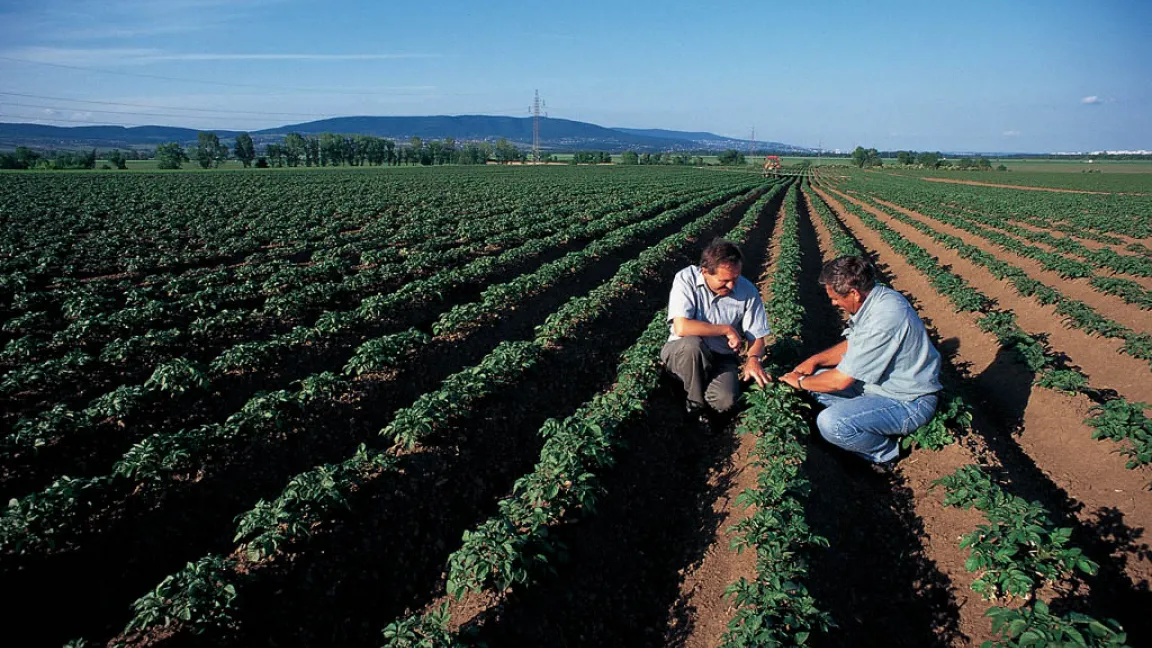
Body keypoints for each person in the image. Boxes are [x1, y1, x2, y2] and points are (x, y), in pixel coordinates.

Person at [780, 256, 941, 466]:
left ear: (854, 293)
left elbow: (840, 381)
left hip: (908, 401)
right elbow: (855, 343)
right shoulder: (876, 300)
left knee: (832, 423)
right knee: (818, 380)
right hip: (879, 387)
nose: (833, 303)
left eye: (835, 298)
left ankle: (887, 454)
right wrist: (815, 360)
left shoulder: (885, 317)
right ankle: (865, 426)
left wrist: (800, 382)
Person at [661, 239, 771, 418]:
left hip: (721, 357)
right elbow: (681, 327)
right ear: (705, 271)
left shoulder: (747, 291)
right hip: (682, 351)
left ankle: (703, 397)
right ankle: (695, 407)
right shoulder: (686, 279)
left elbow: (757, 337)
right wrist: (726, 329)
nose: (731, 285)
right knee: (693, 346)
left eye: (735, 278)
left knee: (725, 400)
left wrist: (753, 358)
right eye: (724, 280)